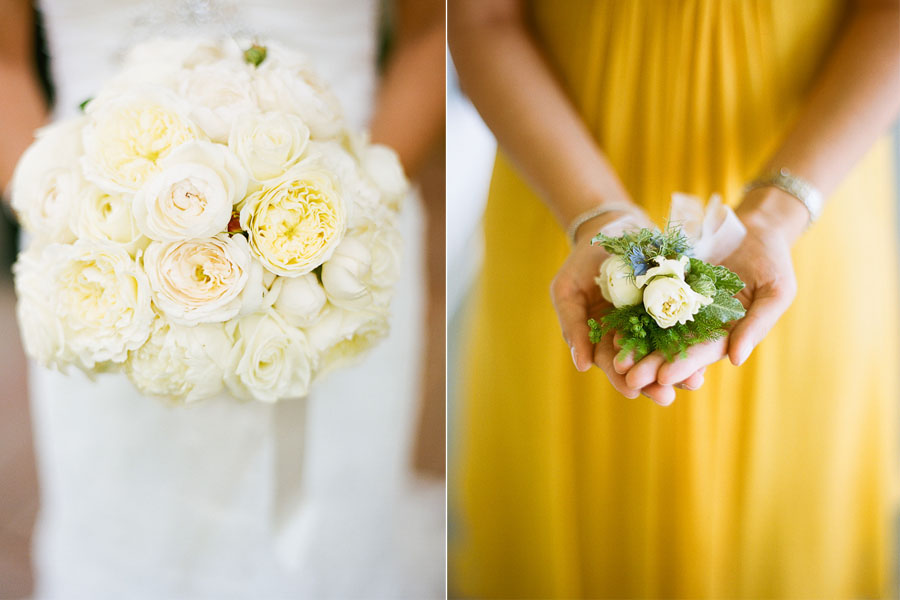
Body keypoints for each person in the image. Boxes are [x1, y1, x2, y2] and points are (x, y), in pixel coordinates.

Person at [450, 0, 900, 597]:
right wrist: (596, 213)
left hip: (810, 180)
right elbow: (481, 19)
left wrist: (774, 217)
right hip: (564, 179)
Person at [0, 1, 444, 598]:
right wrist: (71, 218)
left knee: (333, 543)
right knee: (122, 540)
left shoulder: (345, 244)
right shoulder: (90, 247)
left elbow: (433, 34)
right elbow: (5, 62)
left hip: (344, 249)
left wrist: (335, 224)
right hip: (94, 250)